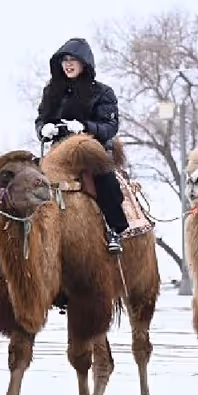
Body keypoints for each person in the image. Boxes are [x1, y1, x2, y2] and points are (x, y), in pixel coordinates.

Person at [34, 37, 128, 255]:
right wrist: (43, 130)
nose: (68, 64)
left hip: (91, 153)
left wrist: (85, 127)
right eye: (64, 60)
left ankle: (115, 228)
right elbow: (40, 118)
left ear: (84, 63)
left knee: (105, 181)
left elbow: (110, 127)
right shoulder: (52, 92)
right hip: (57, 154)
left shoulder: (103, 93)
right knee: (31, 181)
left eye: (72, 59)